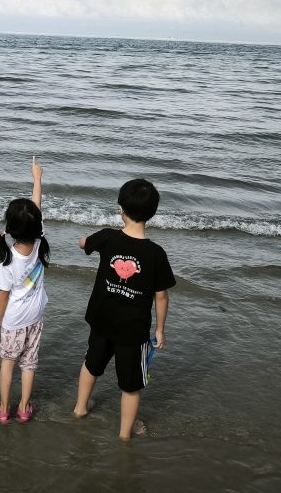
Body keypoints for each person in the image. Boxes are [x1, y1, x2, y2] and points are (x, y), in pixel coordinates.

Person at [73, 178, 175, 440]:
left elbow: (83, 243)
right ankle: (124, 434)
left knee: (92, 364)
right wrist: (160, 329)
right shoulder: (156, 254)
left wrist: (85, 241)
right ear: (152, 213)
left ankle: (80, 409)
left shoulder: (108, 237)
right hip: (133, 329)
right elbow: (161, 296)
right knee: (131, 385)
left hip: (102, 320)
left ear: (121, 209)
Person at [0, 157, 49, 425]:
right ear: (36, 226)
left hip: (14, 320)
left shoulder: (8, 261)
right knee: (29, 363)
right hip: (36, 315)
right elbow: (37, 209)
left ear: (10, 229)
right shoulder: (40, 243)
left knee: (8, 363)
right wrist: (37, 179)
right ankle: (24, 408)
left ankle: (4, 409)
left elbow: (3, 295)